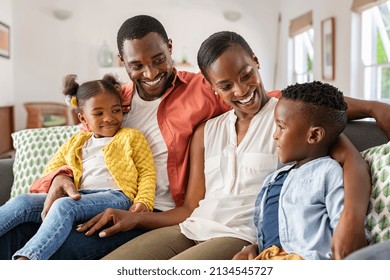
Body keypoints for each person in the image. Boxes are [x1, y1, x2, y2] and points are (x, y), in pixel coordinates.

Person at [1, 15, 389, 260]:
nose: (239, 90)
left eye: (158, 60)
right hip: (182, 224)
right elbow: (81, 145)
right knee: (37, 229)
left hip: (234, 233)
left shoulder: (275, 115)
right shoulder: (117, 104)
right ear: (123, 65)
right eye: (225, 85)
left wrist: (373, 107)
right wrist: (65, 179)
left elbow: (317, 122)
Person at [82, 31, 371, 260]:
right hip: (190, 228)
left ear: (256, 62)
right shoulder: (206, 132)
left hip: (240, 236)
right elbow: (190, 208)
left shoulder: (287, 120)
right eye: (226, 85)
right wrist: (136, 219)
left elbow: (350, 157)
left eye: (246, 74)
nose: (242, 90)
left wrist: (352, 220)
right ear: (211, 87)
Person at [0, 74, 156, 260]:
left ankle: (27, 260)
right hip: (81, 197)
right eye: (99, 113)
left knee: (64, 205)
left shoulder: (132, 137)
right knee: (23, 202)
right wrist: (61, 178)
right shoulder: (76, 142)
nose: (109, 118)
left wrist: (144, 201)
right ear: (83, 119)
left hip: (117, 196)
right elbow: (52, 169)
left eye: (116, 110)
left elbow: (147, 172)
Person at [234, 81, 353, 260]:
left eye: (281, 127)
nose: (275, 135)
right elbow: (269, 229)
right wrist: (254, 247)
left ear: (314, 135)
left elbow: (343, 228)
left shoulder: (327, 172)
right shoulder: (273, 179)